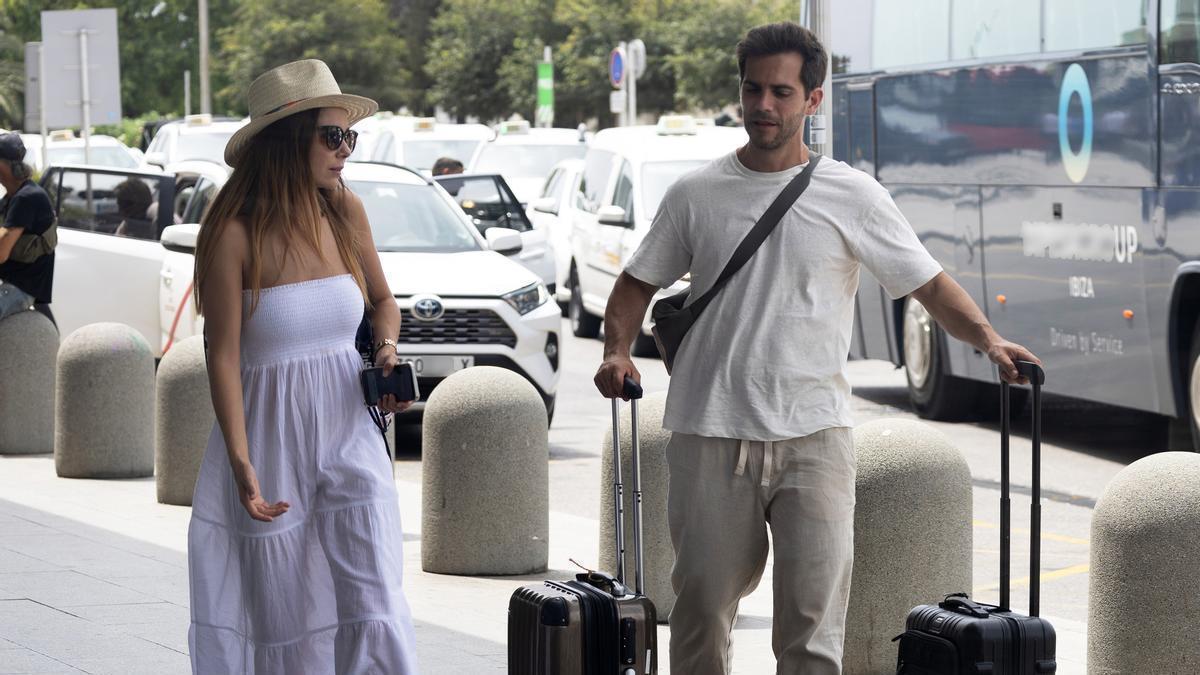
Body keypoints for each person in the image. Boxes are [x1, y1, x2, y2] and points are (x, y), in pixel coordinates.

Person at [593, 22, 1041, 675]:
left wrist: (990, 340)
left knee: (811, 630)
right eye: (753, 89)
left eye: (781, 91)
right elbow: (635, 284)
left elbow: (929, 283)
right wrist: (616, 351)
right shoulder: (696, 194)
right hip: (710, 433)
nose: (764, 106)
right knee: (699, 616)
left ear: (814, 99)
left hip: (816, 439)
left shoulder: (852, 195)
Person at [186, 59, 418, 674]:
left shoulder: (344, 210)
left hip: (349, 427)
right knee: (285, 615)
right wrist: (242, 464)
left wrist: (387, 350)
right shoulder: (235, 234)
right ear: (291, 142)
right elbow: (224, 356)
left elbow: (383, 301)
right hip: (269, 438)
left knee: (376, 599)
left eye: (350, 136)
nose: (345, 149)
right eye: (331, 136)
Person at [0, 132, 57, 327]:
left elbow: (1, 252)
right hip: (13, 283)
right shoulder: (12, 198)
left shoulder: (27, 198)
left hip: (21, 288)